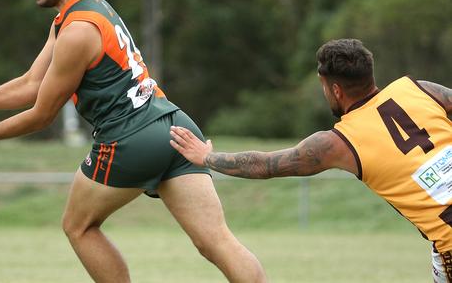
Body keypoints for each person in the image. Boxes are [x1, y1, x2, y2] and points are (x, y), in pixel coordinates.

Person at [0, 0, 266, 283]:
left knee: (79, 226)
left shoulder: (76, 31)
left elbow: (42, 114)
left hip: (130, 139)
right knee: (217, 241)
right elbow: (32, 83)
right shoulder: (92, 9)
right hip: (175, 126)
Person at [169, 38, 452, 282]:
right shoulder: (420, 89)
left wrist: (207, 156)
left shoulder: (339, 142)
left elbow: (264, 165)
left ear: (335, 90)